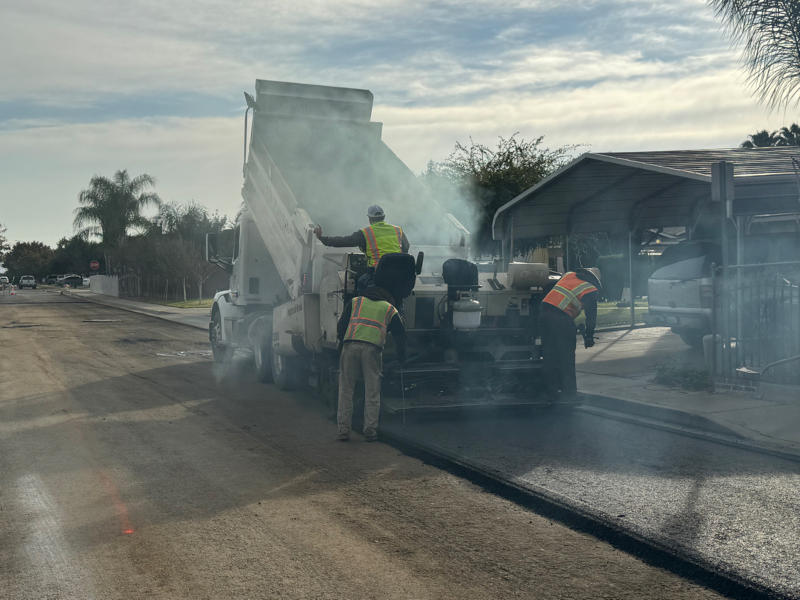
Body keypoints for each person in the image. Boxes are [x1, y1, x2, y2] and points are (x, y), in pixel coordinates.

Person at [336, 285, 406, 442]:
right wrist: (401, 356)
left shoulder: (355, 302)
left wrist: (341, 344)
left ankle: (343, 430)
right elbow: (400, 334)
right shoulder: (389, 308)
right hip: (372, 350)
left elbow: (341, 326)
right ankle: (370, 431)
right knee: (372, 390)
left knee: (346, 390)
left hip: (350, 346)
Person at [538, 267, 601, 402]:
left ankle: (550, 392)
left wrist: (579, 326)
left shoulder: (569, 275)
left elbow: (567, 302)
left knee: (550, 356)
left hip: (544, 314)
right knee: (567, 357)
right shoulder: (590, 289)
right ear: (595, 281)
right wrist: (589, 335)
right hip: (561, 319)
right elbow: (591, 316)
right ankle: (570, 394)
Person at [314, 205, 410, 291]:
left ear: (369, 219)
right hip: (399, 274)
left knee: (360, 283)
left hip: (377, 275)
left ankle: (361, 307)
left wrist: (322, 238)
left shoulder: (365, 233)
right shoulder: (398, 230)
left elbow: (343, 241)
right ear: (383, 217)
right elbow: (406, 247)